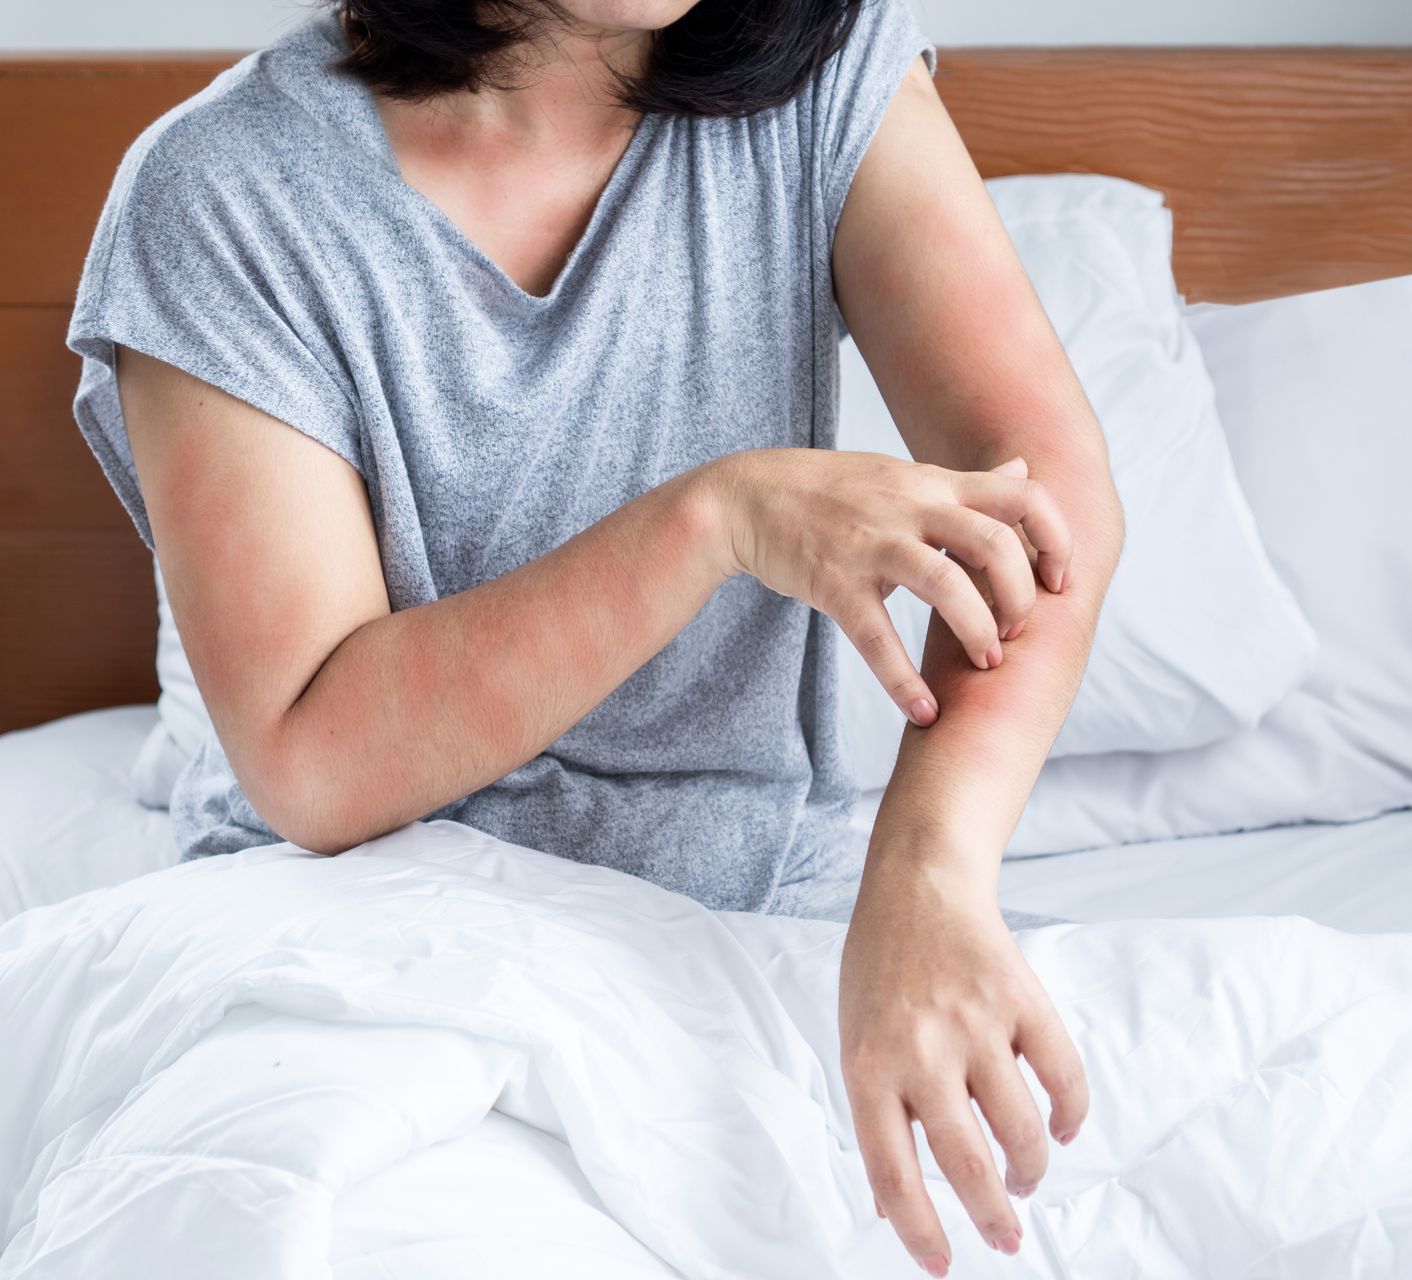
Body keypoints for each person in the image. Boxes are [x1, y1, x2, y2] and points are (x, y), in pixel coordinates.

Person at [68, 0, 1124, 1272]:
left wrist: (932, 876)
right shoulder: (222, 193)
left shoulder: (826, 83)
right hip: (355, 932)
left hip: (748, 926)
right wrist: (715, 519)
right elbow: (314, 753)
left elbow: (1042, 501)